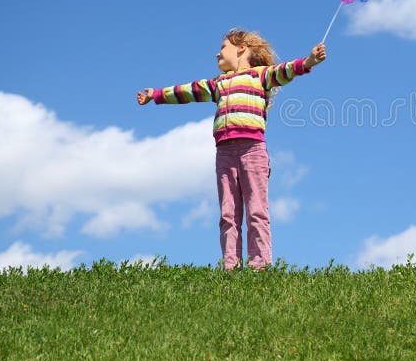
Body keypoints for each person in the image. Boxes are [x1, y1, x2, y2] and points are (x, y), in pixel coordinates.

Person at [137, 28, 326, 270]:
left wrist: (309, 60)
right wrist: (156, 95)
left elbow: (286, 71)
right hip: (224, 153)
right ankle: (231, 267)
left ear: (241, 48)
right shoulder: (218, 83)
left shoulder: (260, 76)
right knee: (228, 214)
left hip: (253, 150)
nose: (217, 53)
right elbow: (188, 91)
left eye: (223, 47)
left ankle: (260, 266)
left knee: (257, 211)